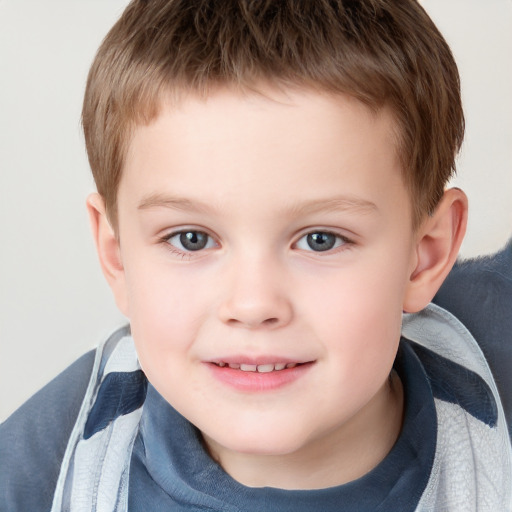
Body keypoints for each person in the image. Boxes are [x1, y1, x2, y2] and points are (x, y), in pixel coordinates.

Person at [1, 1, 511, 510]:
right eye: (191, 239)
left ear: (424, 255)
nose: (252, 304)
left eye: (320, 239)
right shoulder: (56, 464)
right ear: (118, 258)